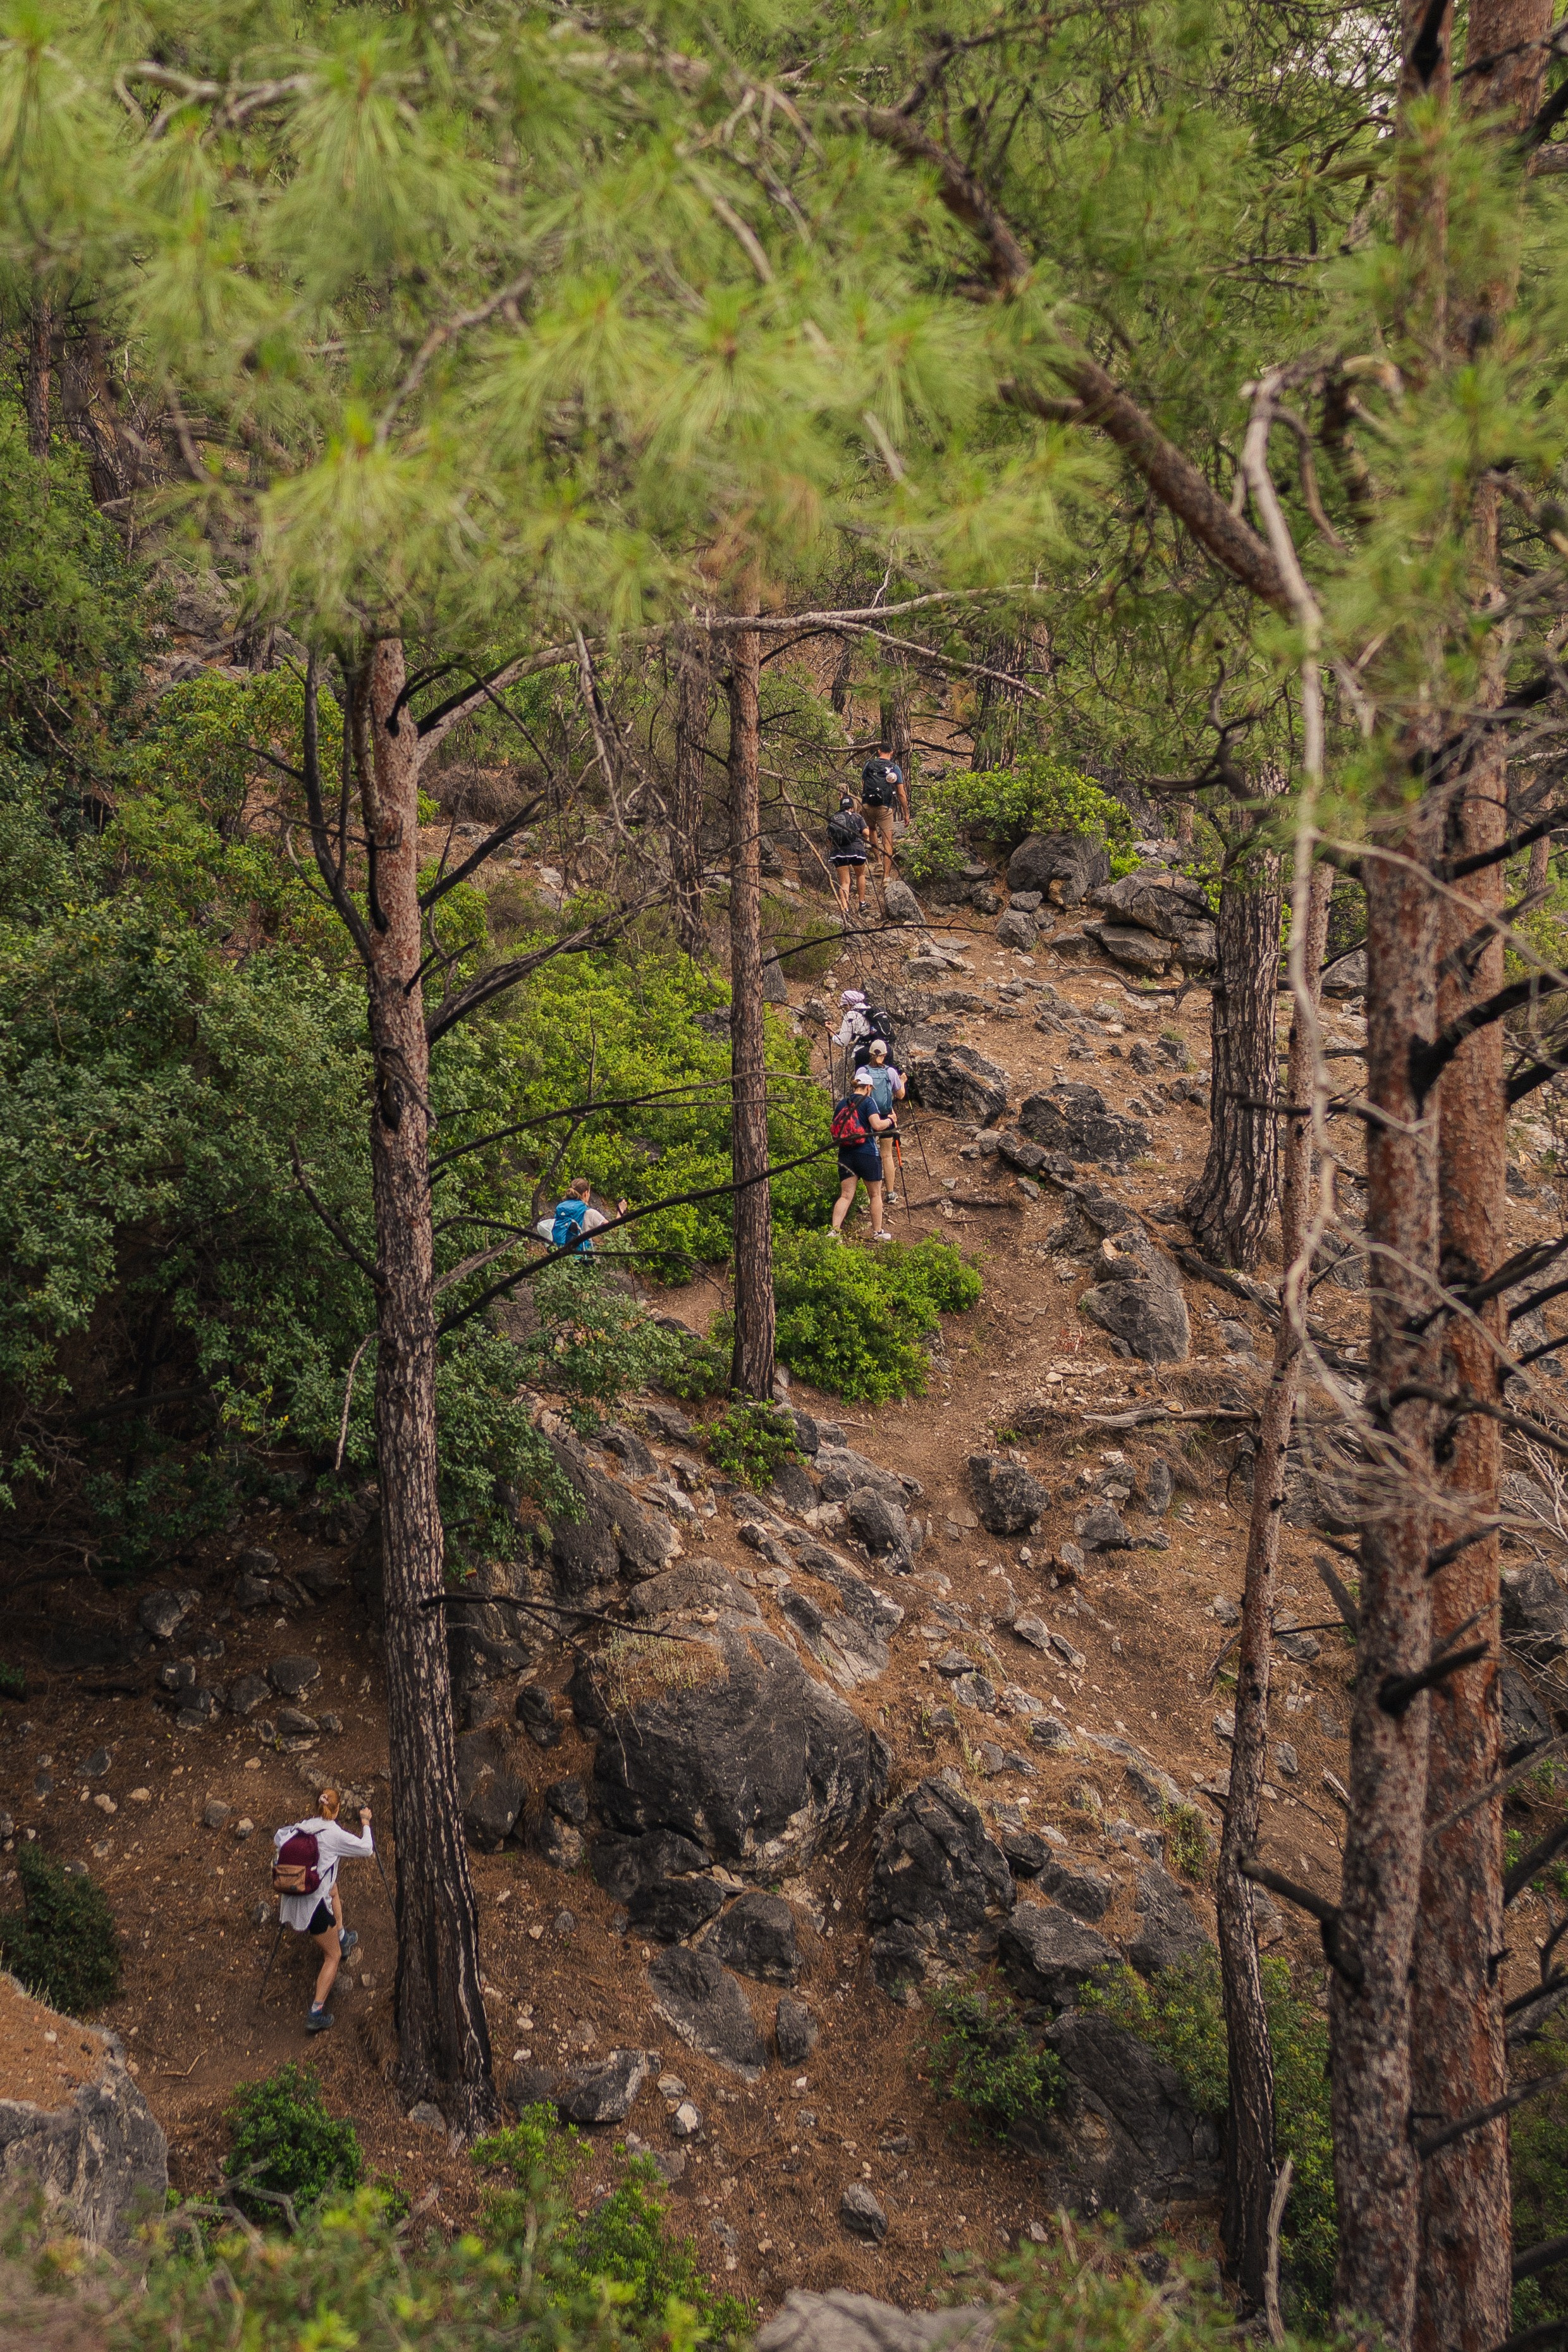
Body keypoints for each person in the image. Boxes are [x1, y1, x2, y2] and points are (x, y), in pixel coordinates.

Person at [272, 1789, 374, 2035]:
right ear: (337, 1810)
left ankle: (340, 1933)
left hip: (292, 1896)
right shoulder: (334, 1833)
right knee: (333, 1956)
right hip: (313, 1905)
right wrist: (366, 1823)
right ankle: (316, 2012)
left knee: (334, 1889)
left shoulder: (303, 1827)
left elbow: (278, 1839)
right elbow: (366, 1849)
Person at [829, 1069, 895, 1241]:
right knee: (875, 1195)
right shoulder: (868, 1101)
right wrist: (891, 1120)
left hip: (845, 1155)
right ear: (867, 1087)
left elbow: (835, 1130)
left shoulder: (842, 1104)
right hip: (867, 1153)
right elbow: (877, 1125)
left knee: (845, 1195)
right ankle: (878, 1232)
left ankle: (834, 1232)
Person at [862, 1034, 907, 1204]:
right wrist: (902, 1081)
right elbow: (900, 1095)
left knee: (869, 1154)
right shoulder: (890, 1072)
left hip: (869, 1117)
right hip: (887, 1116)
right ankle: (890, 1193)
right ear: (885, 1055)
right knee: (887, 1155)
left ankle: (870, 1194)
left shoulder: (863, 1072)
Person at [535, 1177, 631, 1254]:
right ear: (586, 1193)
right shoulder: (590, 1213)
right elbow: (613, 1232)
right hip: (580, 1258)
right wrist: (621, 1210)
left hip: (561, 1257)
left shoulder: (561, 1209)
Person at [859, 744, 909, 881]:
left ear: (879, 751)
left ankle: (878, 862)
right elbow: (901, 793)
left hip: (867, 805)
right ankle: (886, 877)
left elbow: (864, 783)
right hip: (885, 807)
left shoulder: (869, 764)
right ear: (892, 752)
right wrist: (906, 813)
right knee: (888, 841)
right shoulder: (894, 768)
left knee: (872, 829)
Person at [826, 793, 869, 916]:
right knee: (860, 875)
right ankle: (862, 902)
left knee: (845, 882)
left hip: (840, 852)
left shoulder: (834, 818)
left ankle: (845, 908)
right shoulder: (857, 817)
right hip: (857, 851)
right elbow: (866, 833)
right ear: (852, 807)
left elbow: (829, 838)